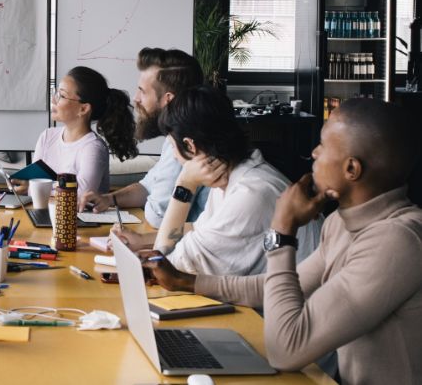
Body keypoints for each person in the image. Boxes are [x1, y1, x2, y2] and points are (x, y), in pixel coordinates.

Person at [142, 98, 422, 383]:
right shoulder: (342, 223)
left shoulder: (396, 241)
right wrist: (184, 281)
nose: (313, 152)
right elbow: (283, 283)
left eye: (323, 145)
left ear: (351, 169)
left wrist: (282, 231)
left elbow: (286, 351)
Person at [111, 86, 320, 276]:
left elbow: (166, 263)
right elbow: (202, 230)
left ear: (190, 146)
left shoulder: (249, 194)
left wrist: (185, 183)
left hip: (284, 312)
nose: (174, 156)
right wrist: (141, 241)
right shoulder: (236, 174)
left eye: (172, 147)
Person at [81, 48, 209, 226]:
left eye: (143, 91)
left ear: (168, 99)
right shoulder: (175, 137)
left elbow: (159, 216)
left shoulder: (187, 144)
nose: (136, 98)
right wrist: (109, 199)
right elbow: (147, 187)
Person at [14, 66, 137, 205]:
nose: (54, 100)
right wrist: (31, 187)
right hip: (46, 214)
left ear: (83, 109)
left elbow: (79, 198)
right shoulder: (47, 136)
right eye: (56, 93)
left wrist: (37, 188)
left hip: (80, 222)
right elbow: (34, 188)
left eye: (62, 95)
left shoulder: (93, 148)